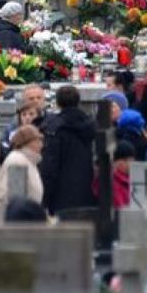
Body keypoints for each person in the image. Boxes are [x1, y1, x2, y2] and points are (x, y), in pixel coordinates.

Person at [39, 85, 97, 215]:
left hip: (61, 193)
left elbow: (50, 165)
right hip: (87, 190)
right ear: (78, 101)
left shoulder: (54, 128)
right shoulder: (90, 124)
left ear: (58, 103)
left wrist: (45, 198)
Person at [0, 125, 46, 225]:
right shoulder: (17, 161)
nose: (41, 145)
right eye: (38, 141)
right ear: (27, 143)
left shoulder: (29, 161)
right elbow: (15, 203)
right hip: (6, 229)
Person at [92, 141, 134, 209]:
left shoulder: (131, 178)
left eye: (131, 160)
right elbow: (119, 207)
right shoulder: (110, 182)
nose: (129, 164)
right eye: (125, 160)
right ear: (114, 162)